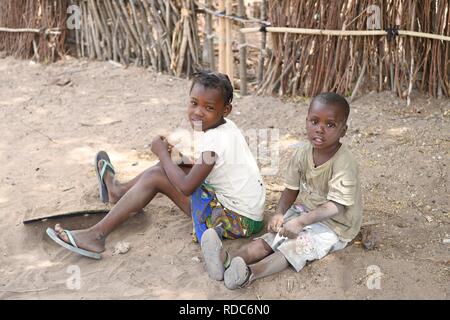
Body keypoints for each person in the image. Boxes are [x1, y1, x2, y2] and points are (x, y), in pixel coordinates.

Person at [46, 71, 266, 265]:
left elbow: (187, 187)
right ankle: (118, 191)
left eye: (208, 108)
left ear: (226, 110)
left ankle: (97, 235)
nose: (198, 112)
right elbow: (210, 167)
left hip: (237, 221)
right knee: (175, 163)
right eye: (193, 103)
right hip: (246, 212)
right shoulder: (226, 128)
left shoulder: (214, 140)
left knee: (157, 175)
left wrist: (162, 153)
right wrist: (172, 158)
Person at [200, 92, 362, 289]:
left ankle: (248, 274)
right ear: (306, 121)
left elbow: (335, 206)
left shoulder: (344, 163)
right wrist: (279, 213)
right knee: (272, 238)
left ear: (343, 130)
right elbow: (290, 189)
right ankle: (225, 259)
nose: (320, 129)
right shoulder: (302, 152)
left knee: (294, 247)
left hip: (335, 225)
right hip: (306, 211)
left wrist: (301, 221)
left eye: (330, 125)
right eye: (314, 121)